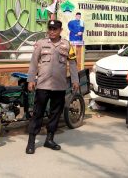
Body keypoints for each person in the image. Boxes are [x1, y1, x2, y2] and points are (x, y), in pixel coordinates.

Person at [26, 20, 79, 154]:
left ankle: (49, 139)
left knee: (55, 114)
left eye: (55, 29)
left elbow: (72, 63)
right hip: (43, 84)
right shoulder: (41, 44)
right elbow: (33, 63)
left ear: (60, 30)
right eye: (50, 28)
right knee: (38, 113)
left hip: (59, 86)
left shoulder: (67, 45)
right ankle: (31, 141)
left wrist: (75, 80)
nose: (52, 31)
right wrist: (31, 79)